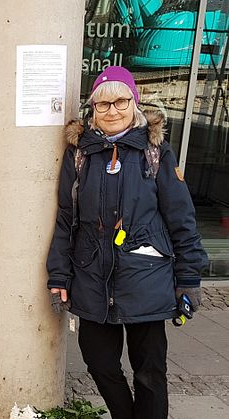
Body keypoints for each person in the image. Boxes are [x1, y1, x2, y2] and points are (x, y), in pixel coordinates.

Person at [46, 66, 207, 419]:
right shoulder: (80, 154)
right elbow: (64, 218)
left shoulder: (155, 152)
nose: (113, 111)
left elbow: (181, 218)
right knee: (98, 361)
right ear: (93, 110)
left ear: (134, 102)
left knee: (149, 371)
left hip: (146, 273)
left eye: (121, 101)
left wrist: (190, 277)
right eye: (103, 105)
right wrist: (59, 274)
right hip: (91, 273)